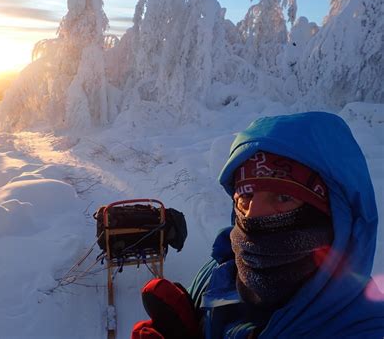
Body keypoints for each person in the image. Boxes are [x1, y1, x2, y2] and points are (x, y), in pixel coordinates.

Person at [132, 112, 384, 338]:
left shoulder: (364, 327)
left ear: (334, 216)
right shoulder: (219, 272)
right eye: (246, 196)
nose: (253, 215)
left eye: (283, 197)